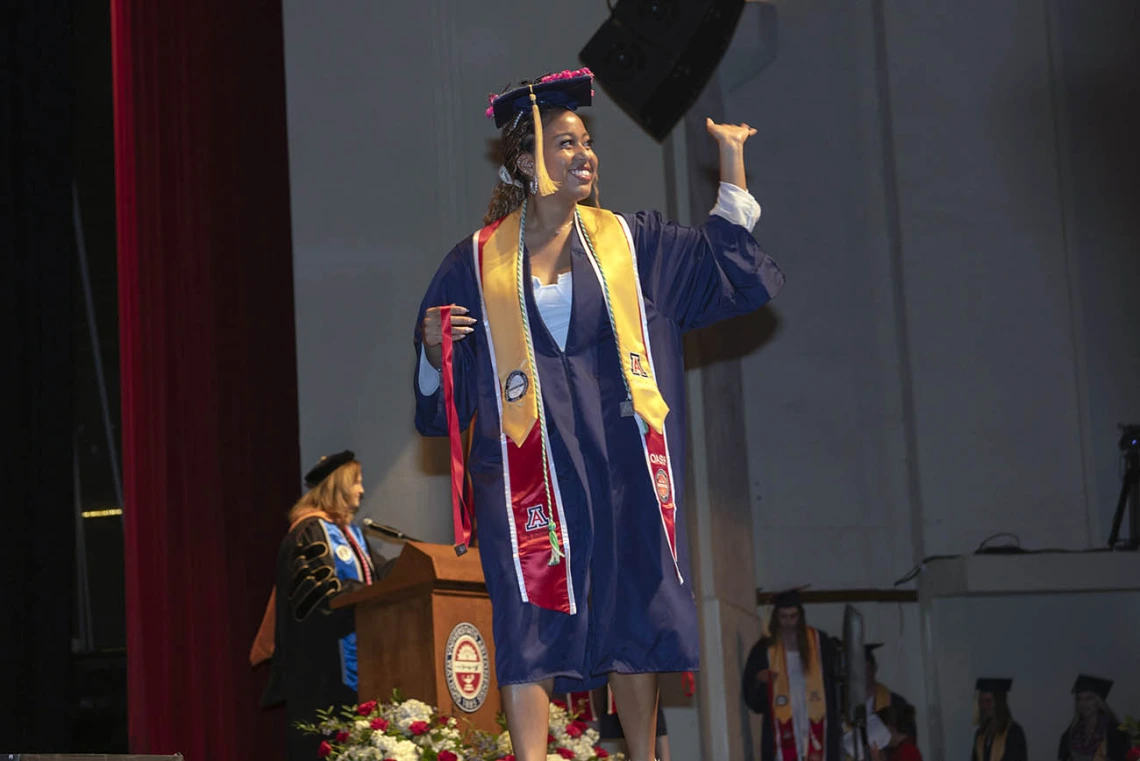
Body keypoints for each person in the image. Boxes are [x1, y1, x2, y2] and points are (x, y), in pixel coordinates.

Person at [413, 67, 784, 761]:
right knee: (527, 616)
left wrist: (731, 162)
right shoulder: (475, 262)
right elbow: (440, 392)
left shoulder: (628, 243)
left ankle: (642, 754)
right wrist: (435, 352)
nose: (584, 155)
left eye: (588, 143)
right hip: (524, 472)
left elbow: (716, 263)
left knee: (630, 609)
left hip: (619, 462)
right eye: (565, 144)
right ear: (526, 162)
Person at [251, 451, 393, 761]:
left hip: (359, 671)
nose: (362, 490)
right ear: (339, 486)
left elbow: (383, 576)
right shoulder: (309, 533)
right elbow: (319, 599)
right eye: (357, 482)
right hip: (322, 672)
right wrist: (363, 595)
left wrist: (422, 563)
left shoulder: (353, 536)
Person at [742, 590, 842, 761]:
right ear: (776, 617)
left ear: (800, 617)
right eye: (783, 617)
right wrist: (759, 680)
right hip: (783, 723)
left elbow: (836, 684)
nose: (789, 622)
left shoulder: (819, 643)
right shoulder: (764, 649)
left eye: (793, 616)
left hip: (815, 717)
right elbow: (753, 699)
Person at [1057, 675, 1130, 761]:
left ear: (1099, 701)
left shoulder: (1116, 731)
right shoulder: (1070, 734)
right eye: (1079, 699)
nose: (1083, 704)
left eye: (1089, 698)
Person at [970, 678, 1027, 761]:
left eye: (988, 701)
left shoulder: (1014, 732)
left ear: (999, 702)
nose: (984, 706)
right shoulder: (980, 734)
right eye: (981, 701)